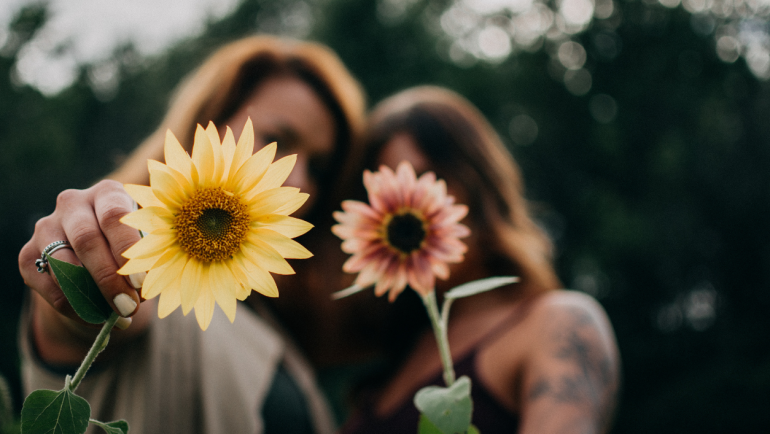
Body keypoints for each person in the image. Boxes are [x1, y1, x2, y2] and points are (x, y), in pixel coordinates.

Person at [17, 35, 367, 434]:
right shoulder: (142, 263)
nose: (299, 179)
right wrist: (77, 264)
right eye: (277, 140)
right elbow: (97, 314)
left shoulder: (267, 315)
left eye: (319, 168)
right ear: (209, 122)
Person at [339, 86, 620, 433]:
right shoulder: (395, 359)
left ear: (480, 183)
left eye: (432, 180)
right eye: (384, 197)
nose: (407, 207)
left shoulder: (557, 324)